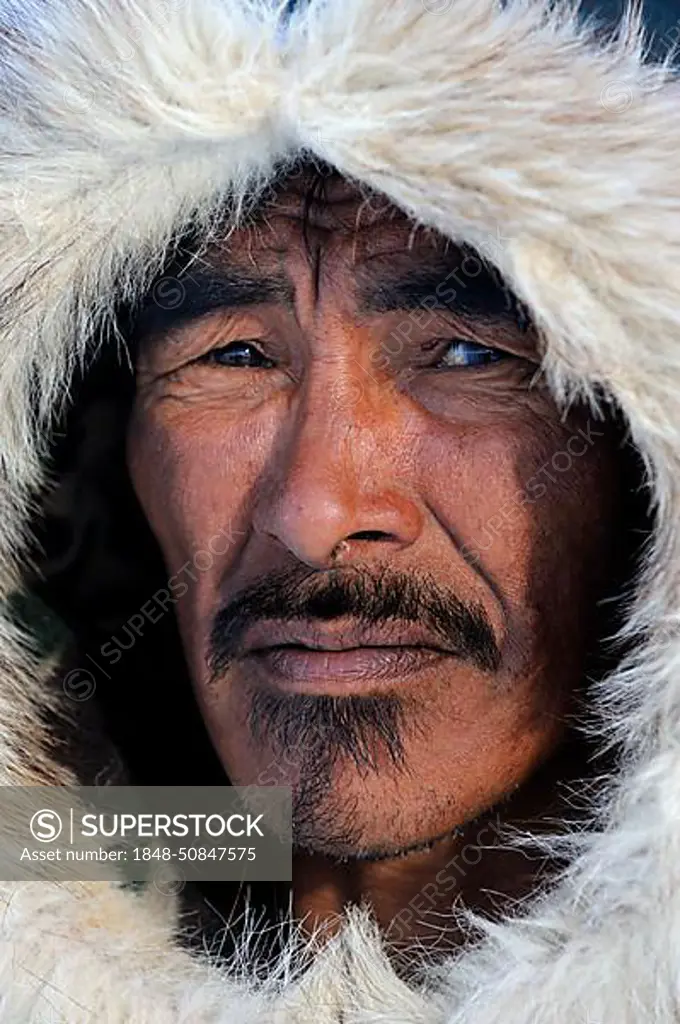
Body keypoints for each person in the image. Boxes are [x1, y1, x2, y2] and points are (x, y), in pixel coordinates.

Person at [0, 0, 677, 1021]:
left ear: (634, 455)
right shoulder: (103, 860)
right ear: (98, 457)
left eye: (466, 355)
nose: (315, 513)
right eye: (231, 355)